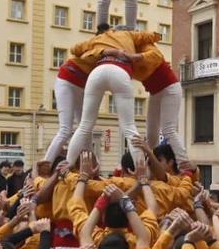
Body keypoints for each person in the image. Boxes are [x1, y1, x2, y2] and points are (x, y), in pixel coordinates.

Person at [65, 28, 164, 165]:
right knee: (129, 126)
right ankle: (141, 172)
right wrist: (158, 35)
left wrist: (100, 50)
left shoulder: (98, 39)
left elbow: (75, 49)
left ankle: (66, 166)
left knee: (84, 126)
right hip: (120, 71)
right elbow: (146, 36)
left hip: (97, 72)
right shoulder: (127, 33)